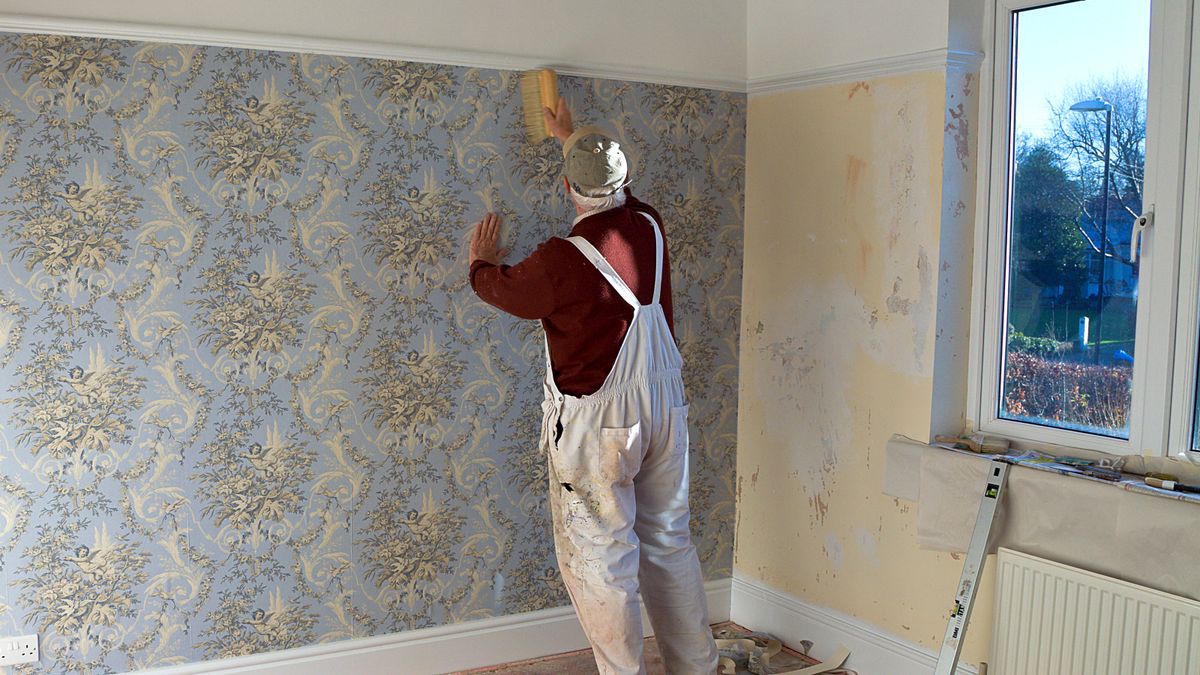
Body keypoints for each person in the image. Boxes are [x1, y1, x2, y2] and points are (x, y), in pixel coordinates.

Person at [468, 100, 719, 675]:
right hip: (664, 411)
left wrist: (480, 264)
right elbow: (612, 190)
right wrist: (571, 136)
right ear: (624, 182)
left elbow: (505, 292)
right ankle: (696, 668)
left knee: (602, 559)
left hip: (600, 430)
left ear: (566, 186)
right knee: (669, 543)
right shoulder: (647, 226)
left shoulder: (561, 260)